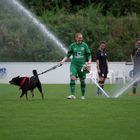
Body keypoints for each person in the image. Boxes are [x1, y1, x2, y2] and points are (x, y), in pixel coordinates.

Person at [60, 32, 92, 99]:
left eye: (81, 38)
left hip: (82, 66)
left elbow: (89, 55)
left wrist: (89, 62)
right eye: (79, 38)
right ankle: (72, 95)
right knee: (72, 77)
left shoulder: (84, 45)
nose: (80, 39)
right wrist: (62, 61)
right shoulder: (72, 46)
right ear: (76, 38)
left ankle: (83, 95)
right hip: (74, 65)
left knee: (82, 80)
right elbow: (68, 55)